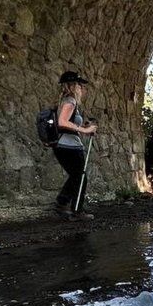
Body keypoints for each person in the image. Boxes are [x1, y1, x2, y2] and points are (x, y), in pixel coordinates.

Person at [54, 70, 97, 219]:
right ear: (72, 86)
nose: (82, 88)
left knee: (76, 176)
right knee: (80, 177)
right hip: (69, 146)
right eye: (79, 85)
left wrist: (83, 125)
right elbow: (62, 122)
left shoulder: (65, 101)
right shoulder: (70, 101)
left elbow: (66, 122)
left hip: (63, 145)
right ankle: (77, 210)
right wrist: (85, 130)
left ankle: (61, 202)